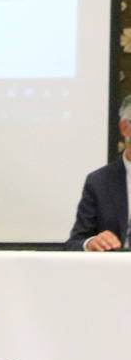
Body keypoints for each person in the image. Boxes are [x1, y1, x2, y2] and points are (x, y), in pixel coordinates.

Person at [65, 94, 131, 251]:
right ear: (125, 128)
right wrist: (91, 243)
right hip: (114, 271)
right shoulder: (99, 181)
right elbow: (74, 243)